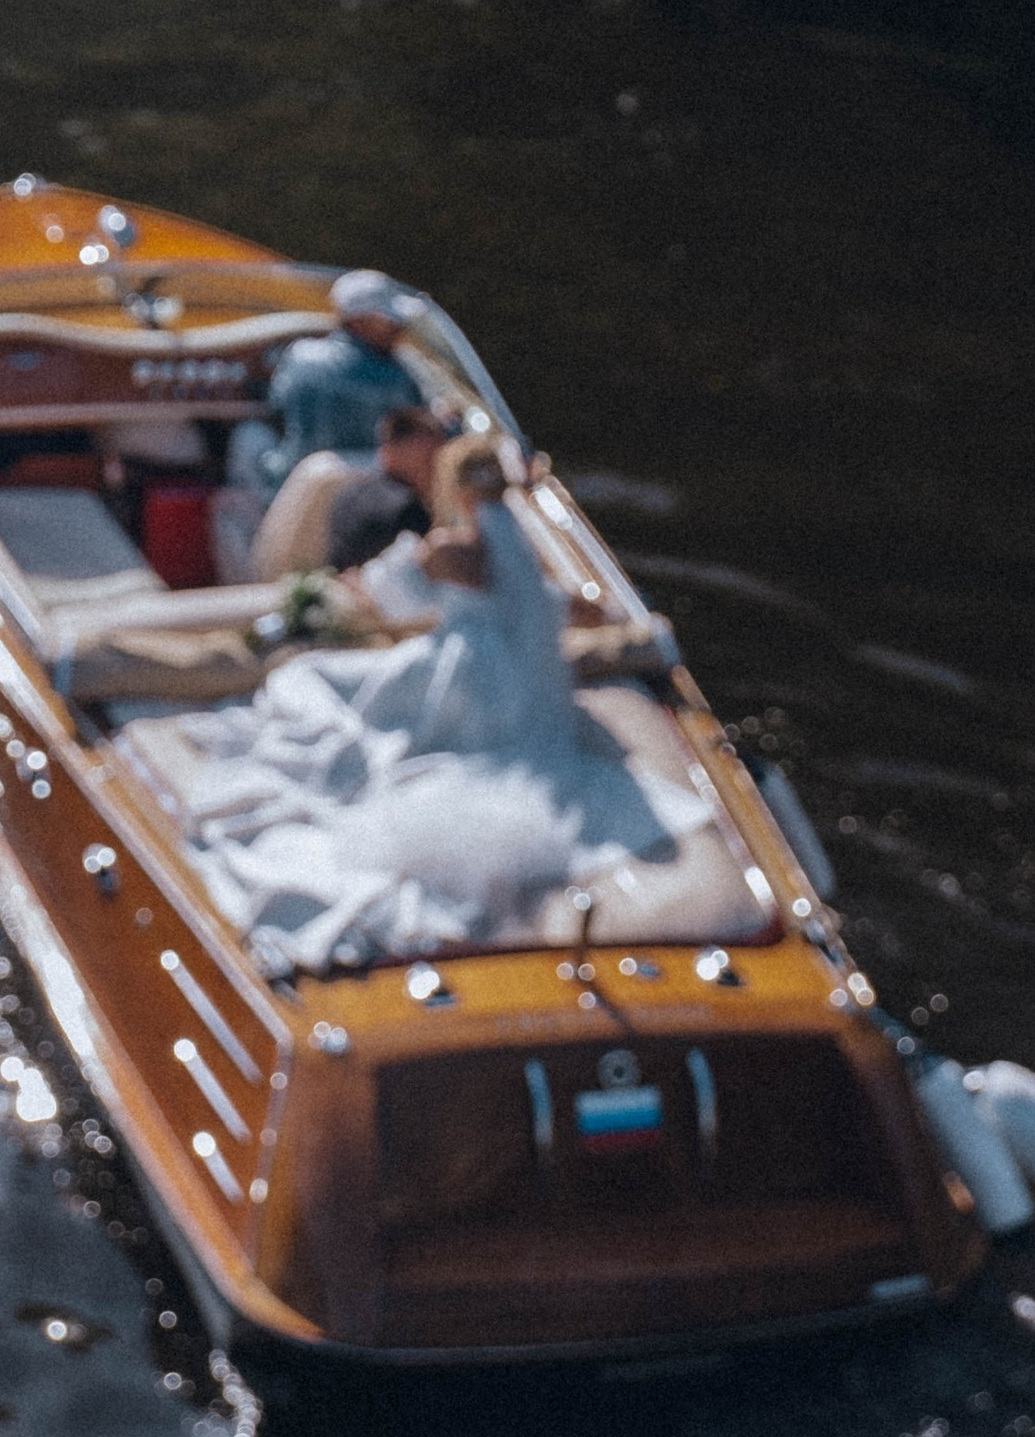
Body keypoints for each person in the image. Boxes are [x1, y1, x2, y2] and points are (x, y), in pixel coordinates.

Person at [162, 437, 707, 969]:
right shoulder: (520, 548)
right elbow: (560, 606)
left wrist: (348, 593)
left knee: (309, 679)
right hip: (536, 685)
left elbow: (395, 592)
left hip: (470, 675)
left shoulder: (452, 549)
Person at [215, 268, 426, 573]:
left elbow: (277, 404)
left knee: (248, 435)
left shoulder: (301, 358)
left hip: (292, 484)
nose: (398, 326)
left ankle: (246, 568)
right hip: (378, 481)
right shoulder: (405, 374)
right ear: (358, 320)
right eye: (388, 318)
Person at [320, 403, 452, 575]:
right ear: (390, 454)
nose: (437, 471)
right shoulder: (408, 510)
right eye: (428, 460)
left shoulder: (348, 493)